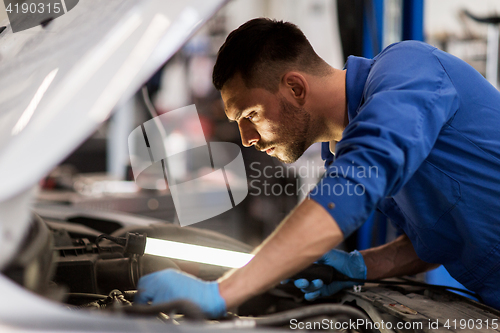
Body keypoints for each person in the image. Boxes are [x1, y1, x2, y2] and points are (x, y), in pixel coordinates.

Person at [135, 18, 500, 316]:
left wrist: (222, 292)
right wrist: (359, 266)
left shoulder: (409, 70)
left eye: (251, 115)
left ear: (295, 87)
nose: (246, 138)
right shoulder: (341, 150)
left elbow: (356, 182)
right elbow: (439, 238)